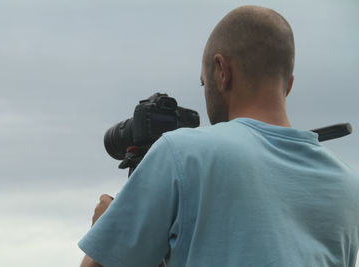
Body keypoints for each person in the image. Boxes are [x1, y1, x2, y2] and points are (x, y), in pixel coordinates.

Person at [79, 5, 359, 267]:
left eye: (204, 81)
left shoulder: (183, 153)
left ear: (222, 71)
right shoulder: (348, 185)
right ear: (289, 85)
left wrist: (105, 228)